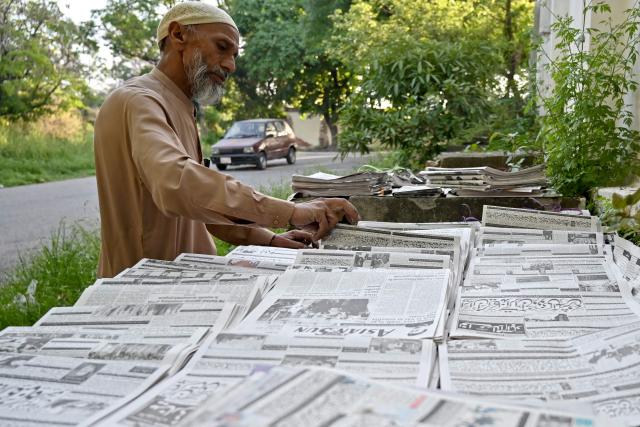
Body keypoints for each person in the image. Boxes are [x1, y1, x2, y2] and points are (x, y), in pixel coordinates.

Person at [94, 2, 359, 278]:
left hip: (189, 280)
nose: (230, 65)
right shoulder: (138, 100)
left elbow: (201, 206)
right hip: (143, 286)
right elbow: (175, 184)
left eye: (234, 55)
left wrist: (270, 239)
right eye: (222, 47)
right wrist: (292, 211)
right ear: (178, 35)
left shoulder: (181, 105)